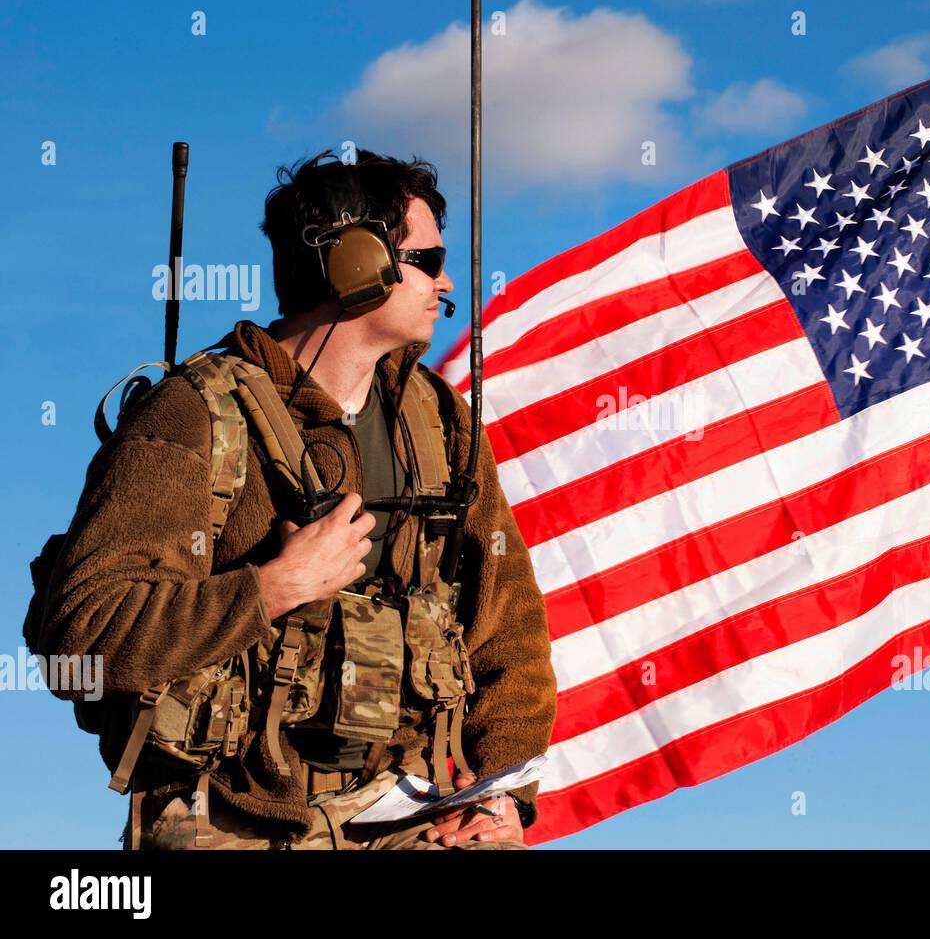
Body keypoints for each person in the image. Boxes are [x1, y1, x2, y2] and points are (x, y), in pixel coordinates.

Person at [34, 149, 557, 849]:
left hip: (401, 811)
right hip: (226, 815)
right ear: (357, 265)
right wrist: (273, 588)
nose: (447, 281)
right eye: (427, 261)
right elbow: (81, 639)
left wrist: (504, 796)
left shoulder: (440, 422)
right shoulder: (193, 415)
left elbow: (507, 622)